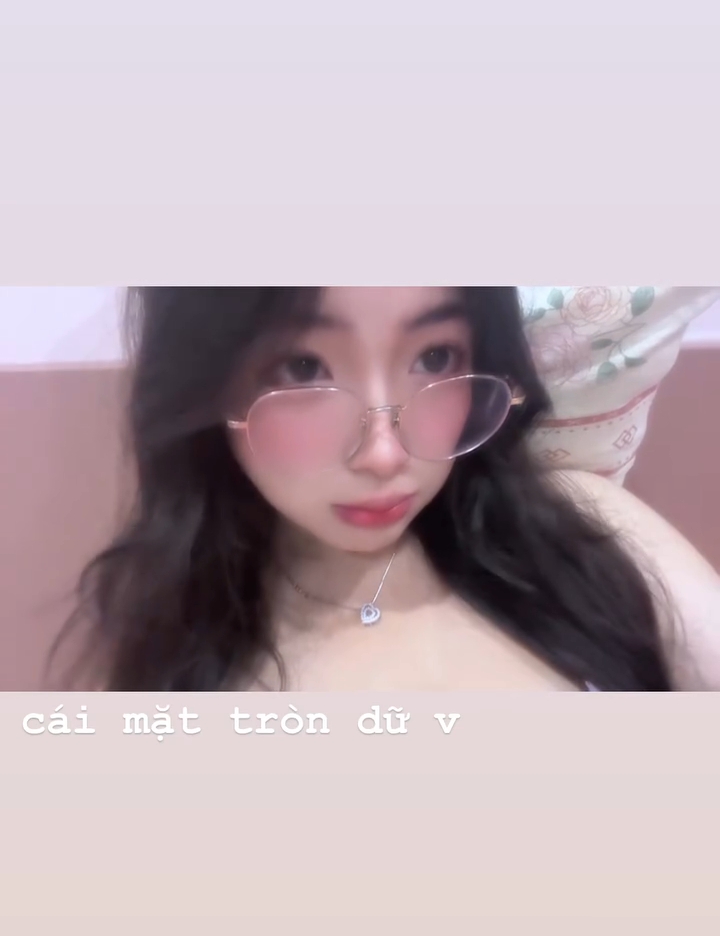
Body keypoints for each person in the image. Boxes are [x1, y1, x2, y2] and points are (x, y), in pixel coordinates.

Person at [51, 285, 720, 692]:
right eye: (303, 367)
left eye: (436, 357)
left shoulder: (586, 524)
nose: (385, 453)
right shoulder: (175, 657)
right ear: (205, 379)